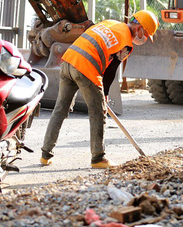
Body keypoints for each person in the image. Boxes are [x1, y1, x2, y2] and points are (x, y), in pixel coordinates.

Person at [40, 10, 159, 168]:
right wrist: (105, 93)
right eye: (145, 34)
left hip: (68, 61)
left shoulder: (110, 23)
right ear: (139, 29)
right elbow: (111, 70)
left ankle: (45, 154)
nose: (143, 39)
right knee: (98, 112)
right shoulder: (127, 44)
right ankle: (98, 158)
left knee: (60, 109)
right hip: (85, 67)